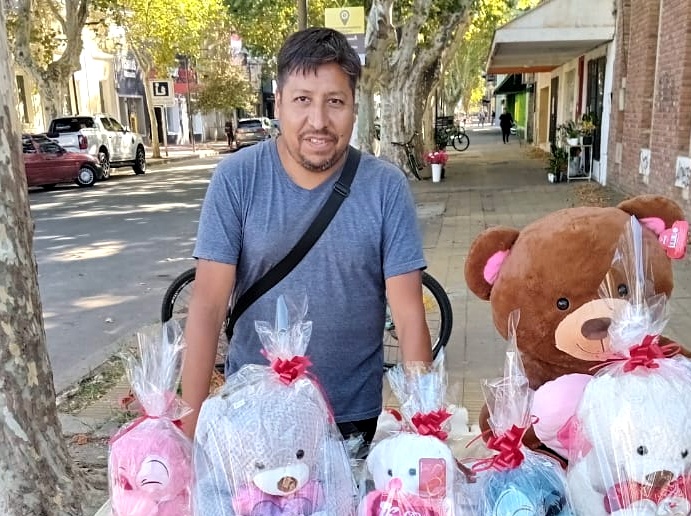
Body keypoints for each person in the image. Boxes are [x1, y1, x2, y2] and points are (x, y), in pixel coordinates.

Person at [180, 27, 433, 444]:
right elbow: (207, 307)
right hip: (253, 418)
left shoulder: (385, 187)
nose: (318, 121)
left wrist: (426, 426)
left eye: (335, 102)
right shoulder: (236, 179)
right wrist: (186, 437)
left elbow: (408, 315)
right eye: (302, 100)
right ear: (278, 103)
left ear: (354, 108)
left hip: (351, 422)